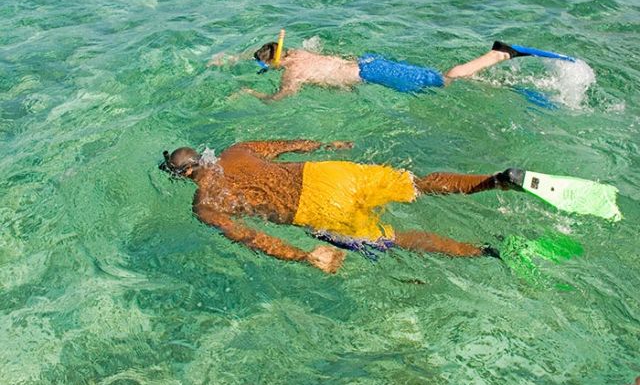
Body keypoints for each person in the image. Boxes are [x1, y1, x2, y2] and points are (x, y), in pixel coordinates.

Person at [159, 139, 524, 273]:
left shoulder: (205, 203)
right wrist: (328, 145)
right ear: (201, 156)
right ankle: (497, 180)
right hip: (329, 173)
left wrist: (304, 256)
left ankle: (486, 252)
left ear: (185, 174)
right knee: (421, 184)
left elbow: (249, 237)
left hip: (317, 208)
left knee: (395, 238)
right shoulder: (236, 151)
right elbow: (286, 145)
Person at [226, 39, 528, 101]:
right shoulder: (298, 52)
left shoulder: (292, 73)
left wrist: (251, 93)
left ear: (274, 63)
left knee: (446, 80)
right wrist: (230, 59)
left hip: (372, 74)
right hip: (369, 62)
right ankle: (491, 72)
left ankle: (498, 54)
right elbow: (268, 53)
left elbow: (280, 98)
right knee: (433, 76)